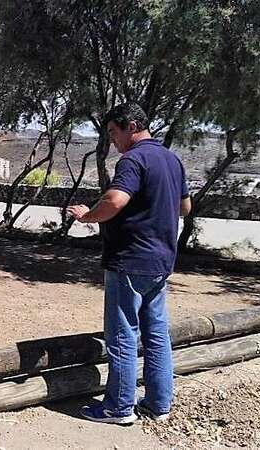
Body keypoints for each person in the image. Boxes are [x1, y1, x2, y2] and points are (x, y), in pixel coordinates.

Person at [66, 102, 191, 424]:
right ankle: (158, 404)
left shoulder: (133, 160)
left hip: (130, 261)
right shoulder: (171, 160)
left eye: (113, 133)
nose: (112, 141)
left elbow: (115, 200)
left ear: (131, 126)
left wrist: (88, 217)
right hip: (161, 261)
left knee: (122, 335)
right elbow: (185, 208)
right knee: (156, 334)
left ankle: (118, 408)